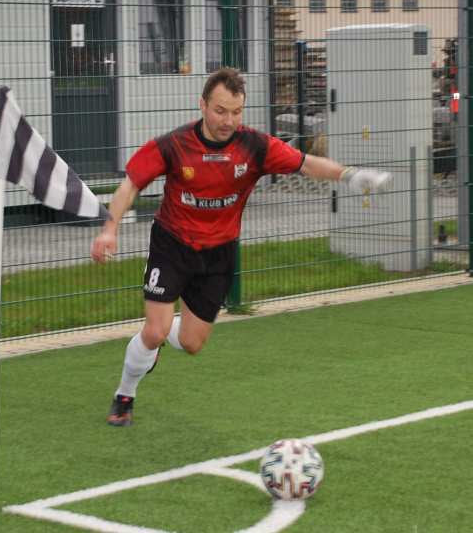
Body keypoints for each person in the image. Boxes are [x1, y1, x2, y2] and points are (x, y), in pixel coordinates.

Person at [91, 68, 391, 427]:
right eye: (220, 111)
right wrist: (110, 229)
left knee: (192, 343)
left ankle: (151, 345)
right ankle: (125, 394)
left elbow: (306, 163)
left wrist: (350, 176)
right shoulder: (173, 144)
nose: (228, 120)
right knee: (153, 330)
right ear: (202, 105)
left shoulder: (255, 146)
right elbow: (129, 185)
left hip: (219, 254)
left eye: (236, 112)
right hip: (171, 245)